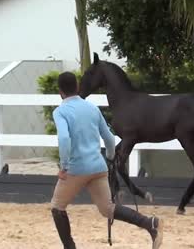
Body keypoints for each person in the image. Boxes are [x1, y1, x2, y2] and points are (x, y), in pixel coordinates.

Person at [50, 72, 163, 249]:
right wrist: (110, 158)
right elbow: (110, 138)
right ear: (78, 87)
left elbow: (64, 139)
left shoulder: (60, 111)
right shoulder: (92, 108)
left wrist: (64, 166)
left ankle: (69, 247)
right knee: (108, 208)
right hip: (98, 166)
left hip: (76, 168)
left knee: (57, 207)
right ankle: (149, 223)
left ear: (60, 92)